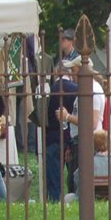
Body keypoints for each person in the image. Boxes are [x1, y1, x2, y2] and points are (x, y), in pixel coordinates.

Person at [43, 65, 77, 201]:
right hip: (71, 138)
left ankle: (55, 203)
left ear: (56, 73)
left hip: (52, 138)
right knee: (74, 176)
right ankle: (74, 200)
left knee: (54, 180)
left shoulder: (49, 91)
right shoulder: (76, 89)